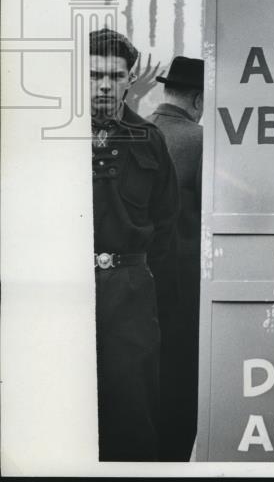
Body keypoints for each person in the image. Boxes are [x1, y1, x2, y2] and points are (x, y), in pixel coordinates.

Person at [90, 27, 179, 461]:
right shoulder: (50, 141)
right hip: (67, 292)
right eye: (93, 75)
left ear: (129, 80)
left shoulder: (150, 140)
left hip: (130, 294)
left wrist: (147, 296)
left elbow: (166, 226)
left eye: (114, 75)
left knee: (132, 411)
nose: (104, 85)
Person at [148, 56, 204, 461]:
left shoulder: (138, 133)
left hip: (135, 289)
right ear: (198, 100)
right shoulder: (199, 141)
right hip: (183, 294)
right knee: (179, 394)